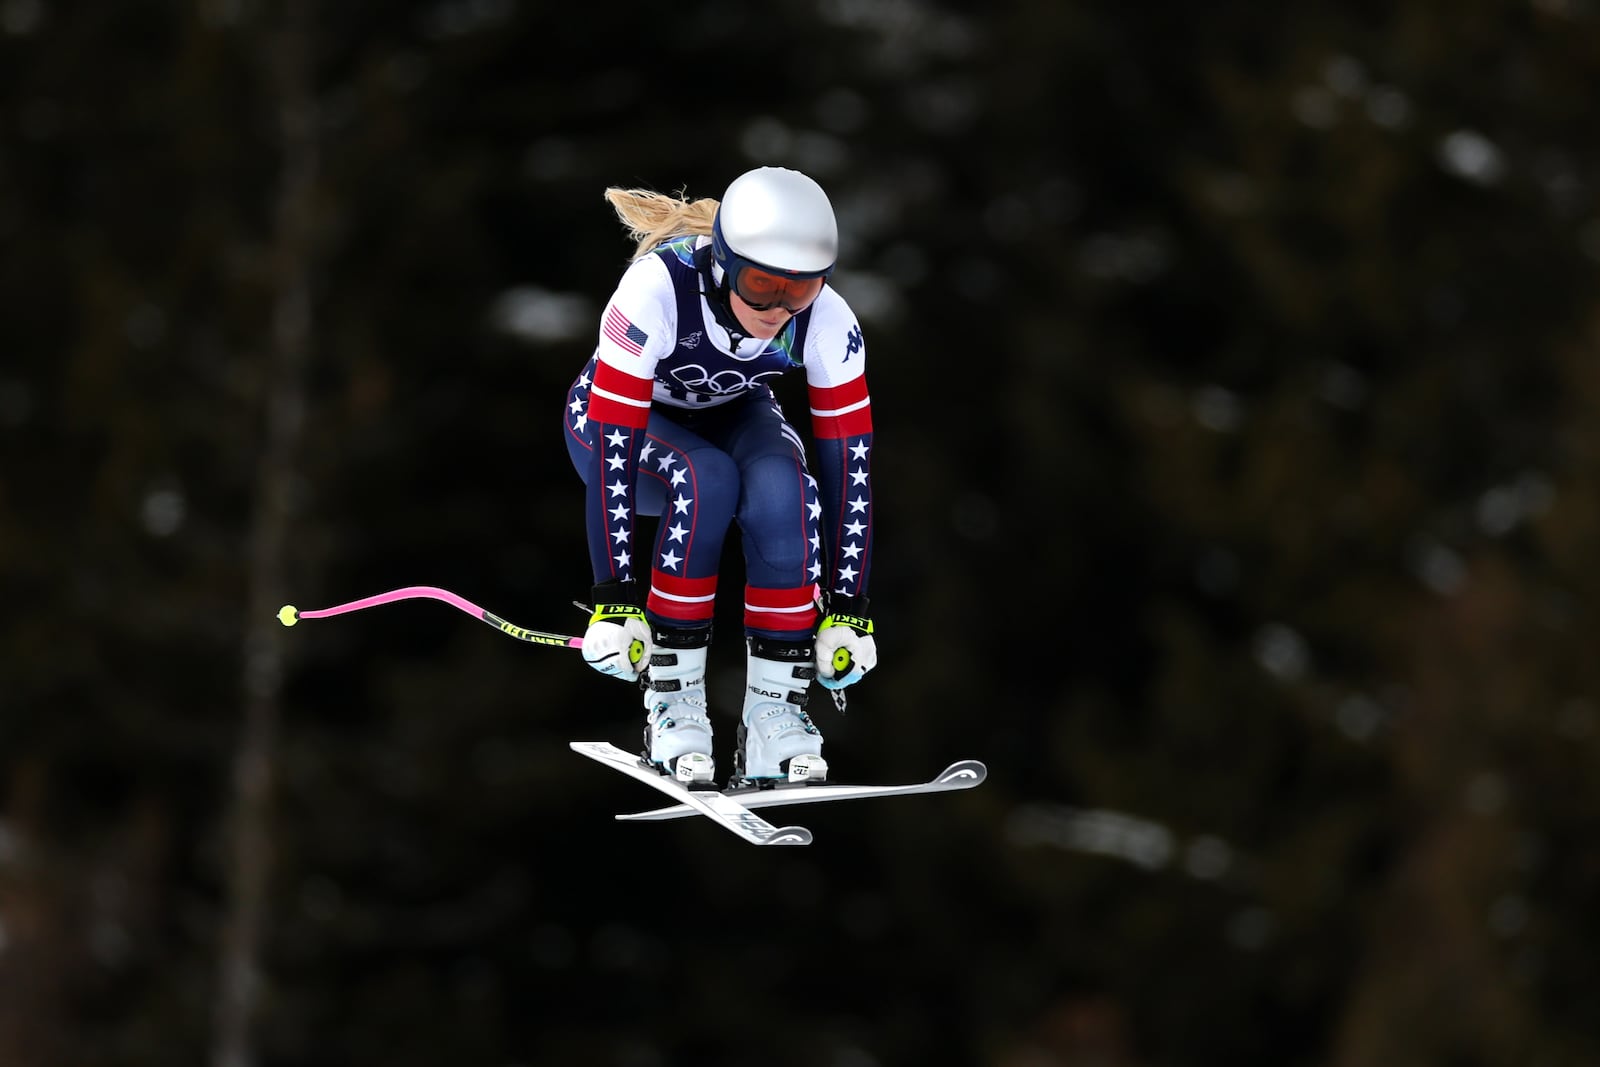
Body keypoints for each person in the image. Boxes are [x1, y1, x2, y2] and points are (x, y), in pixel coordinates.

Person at [562, 165, 878, 787]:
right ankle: (674, 706)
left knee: (783, 486)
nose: (778, 309)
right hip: (618, 429)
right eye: (761, 285)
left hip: (733, 413)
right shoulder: (654, 290)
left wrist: (849, 609)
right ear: (723, 266)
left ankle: (775, 719)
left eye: (801, 289)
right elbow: (615, 448)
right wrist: (613, 600)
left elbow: (852, 465)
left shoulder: (828, 320)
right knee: (705, 479)